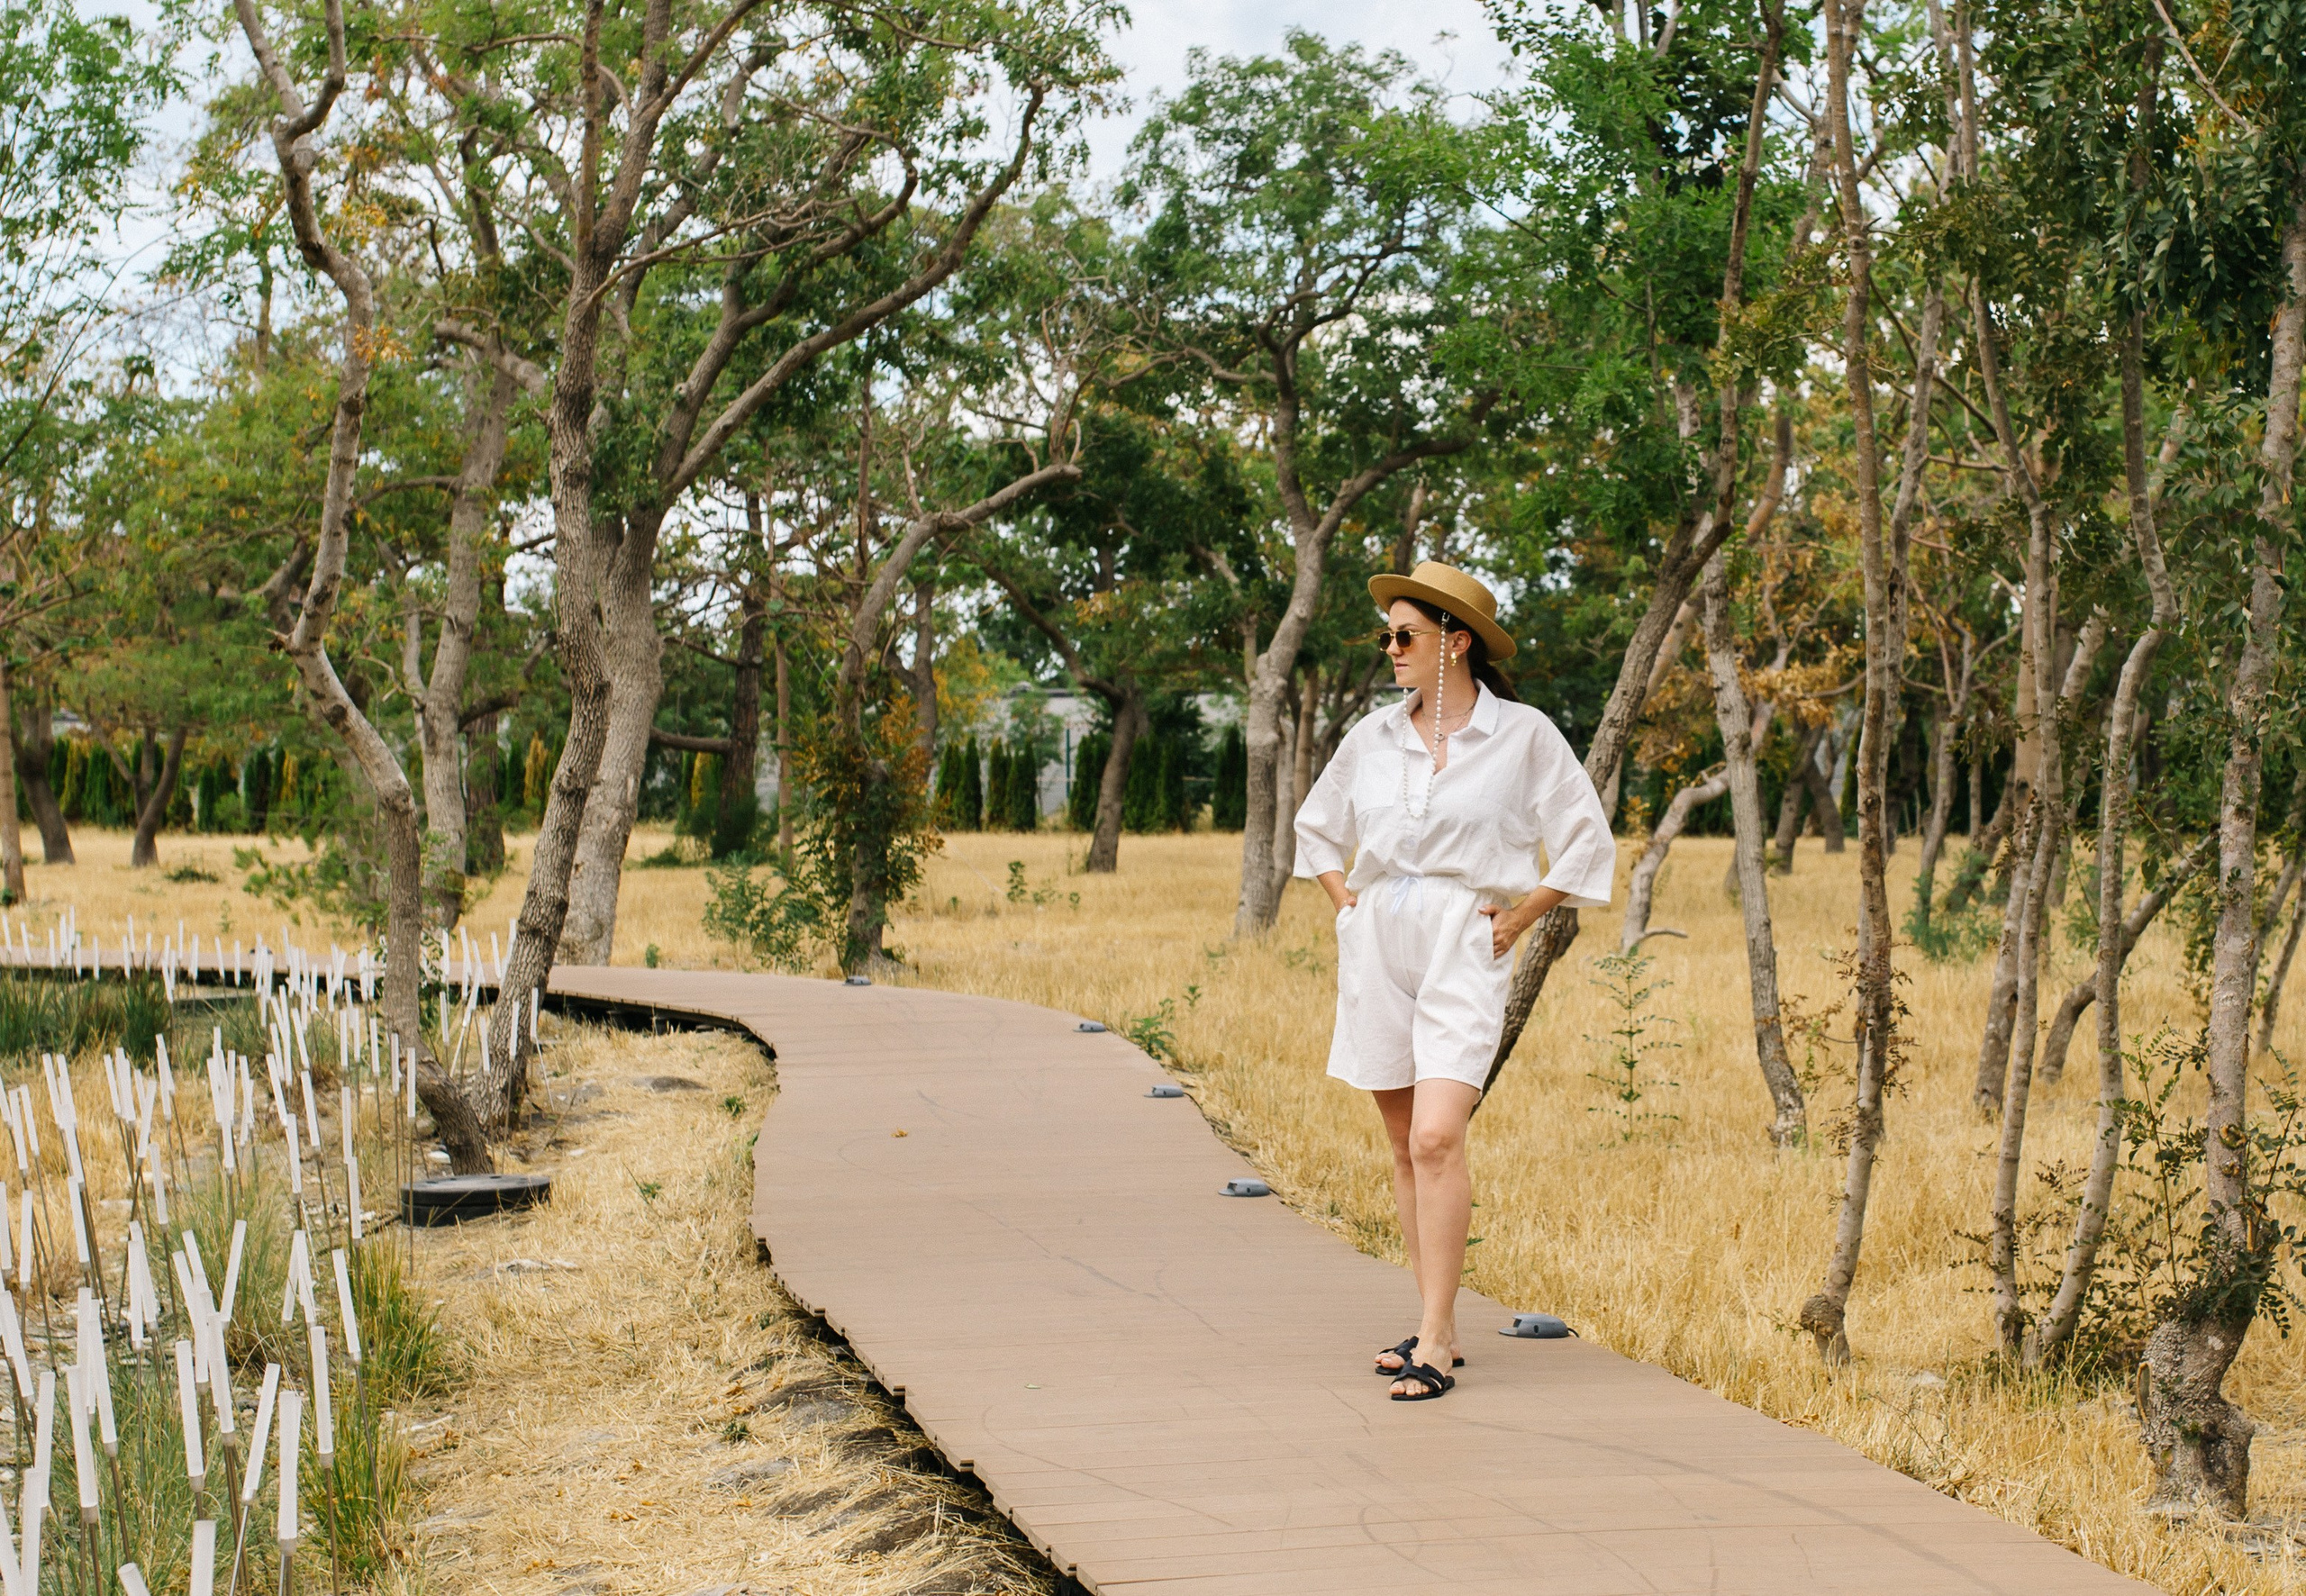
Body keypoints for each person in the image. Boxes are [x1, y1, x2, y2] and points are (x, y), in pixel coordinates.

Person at [1294, 561, 1615, 1401]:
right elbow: (1316, 828)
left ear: (1457, 642)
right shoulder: (1373, 737)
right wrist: (1347, 908)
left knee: (1439, 1136)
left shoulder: (1524, 735)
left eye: (1406, 636)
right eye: (1387, 636)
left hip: (1465, 937)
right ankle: (1435, 1318)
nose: (1391, 650)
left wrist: (1523, 913)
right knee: (1403, 1145)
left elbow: (1585, 836)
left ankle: (1435, 1340)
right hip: (1379, 941)